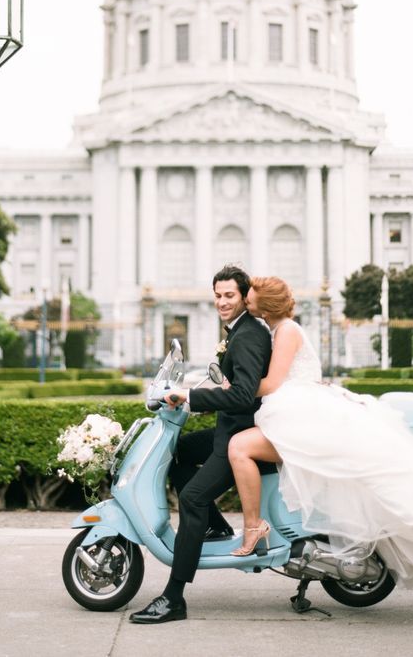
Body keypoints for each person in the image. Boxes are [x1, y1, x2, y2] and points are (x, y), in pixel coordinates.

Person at [226, 275, 413, 601]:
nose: (246, 299)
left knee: (240, 448)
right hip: (297, 408)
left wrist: (230, 389)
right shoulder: (280, 329)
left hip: (296, 412)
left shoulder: (287, 330)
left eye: (251, 296)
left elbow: (274, 383)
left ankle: (253, 528)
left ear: (267, 303)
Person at [129, 264, 272, 625]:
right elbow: (230, 385)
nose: (222, 302)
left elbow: (241, 394)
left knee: (192, 497)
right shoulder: (239, 331)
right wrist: (184, 392)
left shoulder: (250, 334)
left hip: (240, 436)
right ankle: (216, 527)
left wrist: (192, 396)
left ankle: (174, 597)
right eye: (218, 296)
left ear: (243, 296)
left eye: (229, 296)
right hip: (230, 428)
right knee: (178, 455)